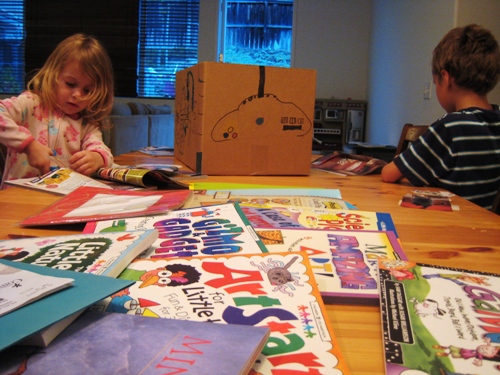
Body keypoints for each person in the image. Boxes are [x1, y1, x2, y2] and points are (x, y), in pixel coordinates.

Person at [381, 24, 500, 210]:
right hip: (487, 230)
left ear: (445, 78)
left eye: (436, 83)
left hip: (449, 229)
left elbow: (388, 174)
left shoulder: (451, 127)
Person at [0, 33, 115, 188]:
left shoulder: (87, 123)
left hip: (60, 201)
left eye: (88, 91)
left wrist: (97, 158)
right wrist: (29, 145)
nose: (77, 95)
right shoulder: (30, 103)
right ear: (53, 75)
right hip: (18, 199)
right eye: (70, 84)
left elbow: (102, 149)